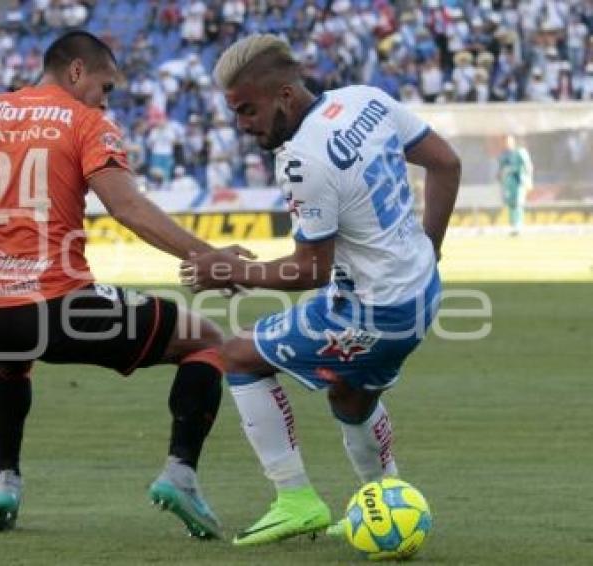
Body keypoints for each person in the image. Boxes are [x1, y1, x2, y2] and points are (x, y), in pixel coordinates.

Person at [0, 31, 250, 539]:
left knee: (9, 360)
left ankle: (5, 483)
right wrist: (208, 257)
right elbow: (126, 206)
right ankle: (181, 474)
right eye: (104, 86)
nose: (105, 100)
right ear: (76, 73)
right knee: (207, 343)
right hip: (61, 306)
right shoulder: (87, 123)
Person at [182, 34, 460, 546]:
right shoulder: (366, 99)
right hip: (422, 291)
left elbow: (309, 269)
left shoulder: (302, 161)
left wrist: (231, 273)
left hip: (373, 312)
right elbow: (446, 163)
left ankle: (294, 498)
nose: (242, 126)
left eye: (248, 110)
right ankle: (386, 504)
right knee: (350, 397)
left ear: (285, 95)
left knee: (239, 354)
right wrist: (430, 250)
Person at [497, 135, 533, 236]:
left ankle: (518, 226)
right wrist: (501, 177)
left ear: (513, 141)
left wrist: (529, 180)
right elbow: (501, 169)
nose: (507, 143)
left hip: (519, 181)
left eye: (509, 141)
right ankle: (513, 226)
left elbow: (528, 166)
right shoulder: (504, 155)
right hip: (509, 183)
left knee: (518, 203)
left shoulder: (520, 152)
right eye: (506, 141)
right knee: (511, 204)